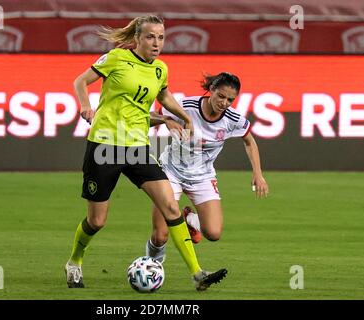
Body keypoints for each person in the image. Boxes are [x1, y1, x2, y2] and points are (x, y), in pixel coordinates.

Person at [65, 15, 227, 291]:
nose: (156, 43)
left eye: (161, 37)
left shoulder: (160, 69)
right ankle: (74, 262)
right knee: (97, 220)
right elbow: (81, 81)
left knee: (171, 206)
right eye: (151, 37)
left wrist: (183, 117)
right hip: (104, 147)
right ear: (137, 38)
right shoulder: (116, 58)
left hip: (137, 148)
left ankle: (197, 273)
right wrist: (84, 106)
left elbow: (163, 97)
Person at [146, 72, 269, 263]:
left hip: (202, 176)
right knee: (160, 235)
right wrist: (165, 120)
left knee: (213, 233)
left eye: (230, 99)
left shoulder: (233, 119)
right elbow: (148, 118)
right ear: (211, 90)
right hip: (171, 172)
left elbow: (249, 141)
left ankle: (190, 219)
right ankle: (152, 265)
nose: (224, 103)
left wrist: (258, 173)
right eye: (221, 96)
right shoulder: (186, 106)